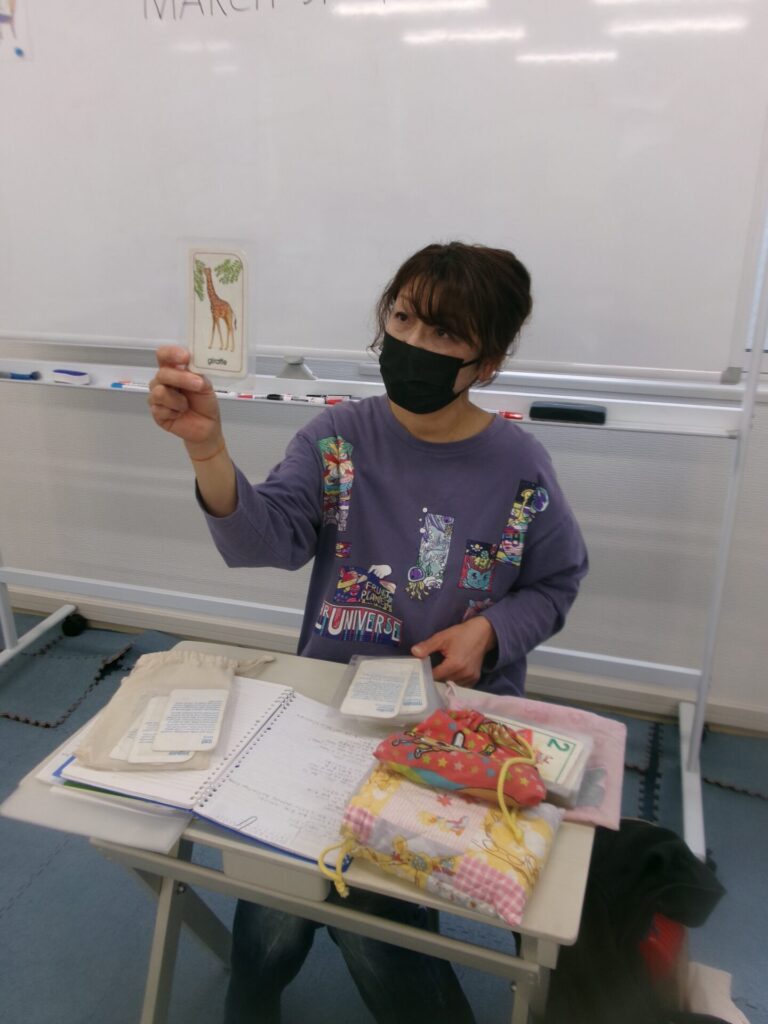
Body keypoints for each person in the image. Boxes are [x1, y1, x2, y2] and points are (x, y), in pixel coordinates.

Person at [148, 241, 588, 1024]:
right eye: (404, 318)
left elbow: (556, 581)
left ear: (486, 363)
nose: (413, 342)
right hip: (329, 712)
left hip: (447, 732)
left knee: (375, 930)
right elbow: (264, 539)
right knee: (271, 913)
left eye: (445, 333)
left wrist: (490, 632)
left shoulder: (518, 466)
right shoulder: (339, 438)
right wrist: (207, 450)